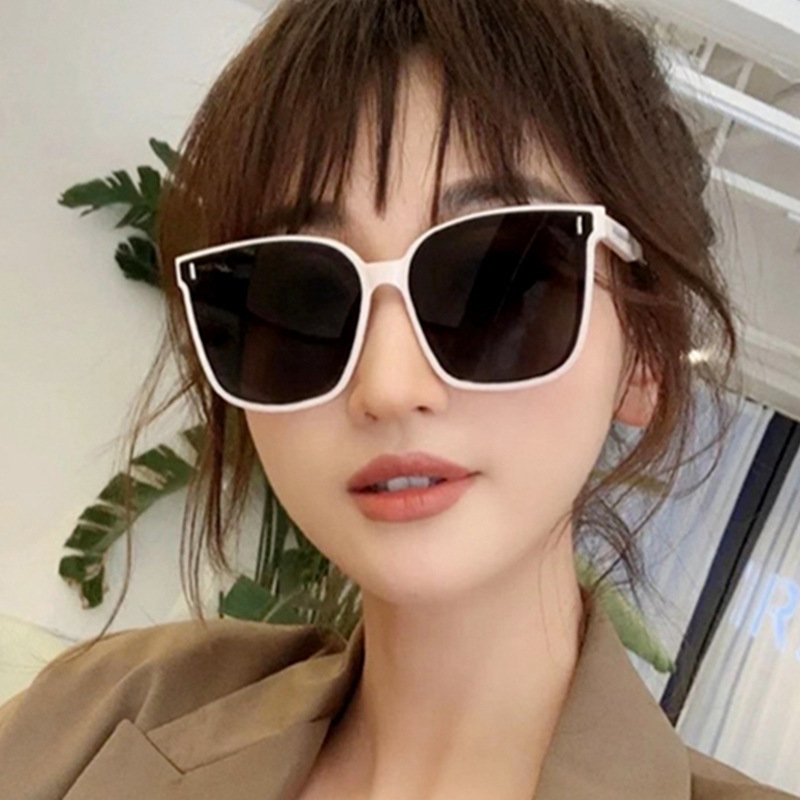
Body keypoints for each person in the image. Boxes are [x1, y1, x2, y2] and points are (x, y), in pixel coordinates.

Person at [0, 0, 795, 798]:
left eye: (494, 282)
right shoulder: (95, 718)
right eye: (303, 295)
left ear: (644, 356)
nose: (387, 387)